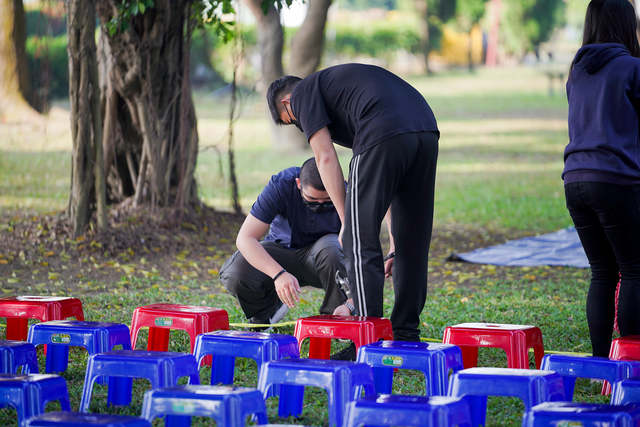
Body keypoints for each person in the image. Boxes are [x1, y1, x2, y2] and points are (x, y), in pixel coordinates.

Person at [266, 64, 439, 342]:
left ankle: (367, 338)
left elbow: (324, 156)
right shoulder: (338, 89)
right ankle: (406, 333)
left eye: (291, 121)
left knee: (358, 240)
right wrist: (394, 242)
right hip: (425, 129)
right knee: (410, 243)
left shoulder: (302, 94)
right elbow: (393, 183)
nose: (300, 126)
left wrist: (348, 221)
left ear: (286, 103)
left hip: (380, 130)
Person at [563, 0, 640, 357]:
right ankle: (631, 359)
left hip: (574, 180)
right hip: (615, 180)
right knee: (634, 269)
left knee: (602, 272)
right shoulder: (633, 68)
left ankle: (599, 362)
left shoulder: (578, 70)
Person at [219, 158, 354, 327]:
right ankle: (266, 312)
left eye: (326, 202)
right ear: (298, 184)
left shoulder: (348, 193)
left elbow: (364, 257)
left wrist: (350, 303)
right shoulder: (281, 184)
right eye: (312, 200)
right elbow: (245, 238)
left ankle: (336, 320)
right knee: (235, 271)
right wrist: (278, 274)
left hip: (326, 259)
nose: (319, 205)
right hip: (282, 251)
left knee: (332, 248)